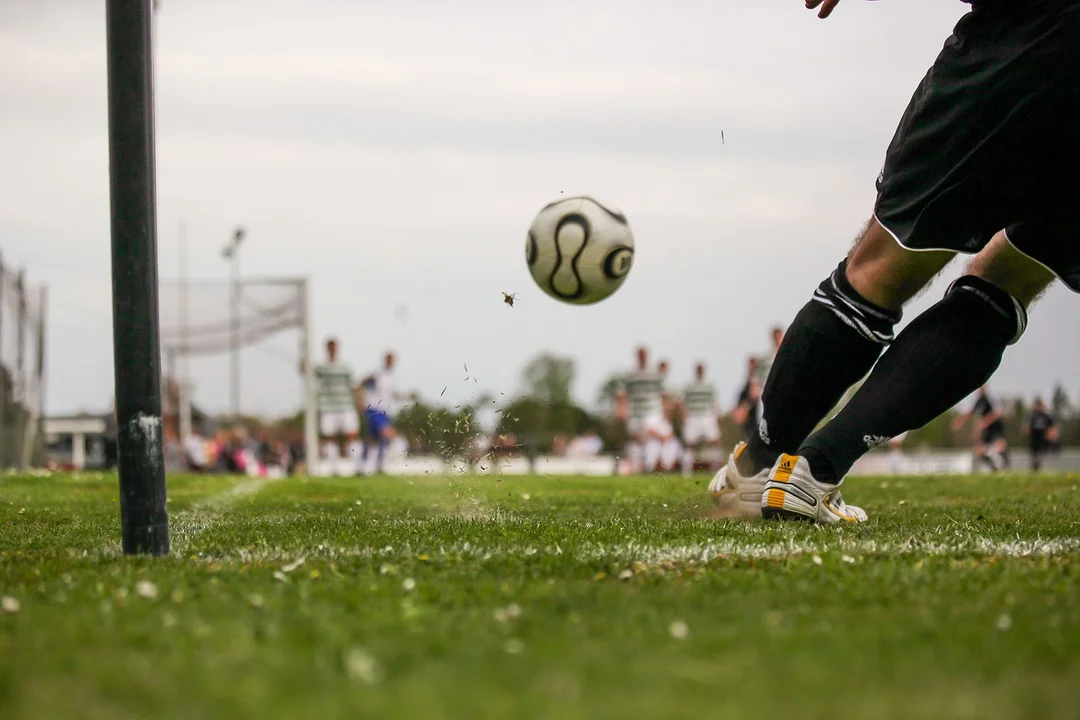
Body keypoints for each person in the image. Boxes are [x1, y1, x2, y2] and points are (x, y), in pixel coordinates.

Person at [712, 0, 1079, 522]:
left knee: (878, 270)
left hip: (1024, 36)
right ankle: (814, 471)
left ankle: (758, 468)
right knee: (1008, 281)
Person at [311, 338, 363, 475]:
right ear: (327, 349)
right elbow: (308, 374)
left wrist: (360, 400)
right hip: (328, 407)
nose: (332, 350)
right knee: (329, 437)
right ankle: (334, 469)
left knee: (352, 435)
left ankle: (358, 468)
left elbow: (354, 385)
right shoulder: (321, 367)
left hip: (346, 406)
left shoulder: (345, 367)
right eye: (330, 347)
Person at [614, 347, 665, 473]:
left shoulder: (654, 374)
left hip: (652, 411)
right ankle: (636, 467)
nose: (642, 357)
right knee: (636, 438)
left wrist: (665, 410)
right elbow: (622, 393)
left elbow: (662, 393)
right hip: (635, 411)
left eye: (644, 355)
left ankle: (650, 465)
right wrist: (621, 408)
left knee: (651, 434)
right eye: (640, 355)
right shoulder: (631, 375)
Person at [358, 351, 402, 475]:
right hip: (373, 408)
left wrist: (407, 396)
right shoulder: (377, 374)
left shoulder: (393, 377)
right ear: (385, 360)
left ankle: (364, 466)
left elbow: (394, 395)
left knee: (372, 439)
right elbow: (360, 383)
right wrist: (360, 400)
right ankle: (378, 465)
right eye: (388, 359)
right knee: (386, 433)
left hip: (385, 410)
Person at [952, 386, 1010, 472]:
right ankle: (993, 468)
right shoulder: (978, 401)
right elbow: (970, 413)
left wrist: (985, 422)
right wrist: (960, 421)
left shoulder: (990, 399)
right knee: (979, 451)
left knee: (1001, 446)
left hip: (995, 428)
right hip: (986, 430)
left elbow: (998, 412)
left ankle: (1006, 466)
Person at [681, 362, 723, 473]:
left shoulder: (710, 386)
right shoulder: (689, 386)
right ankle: (686, 471)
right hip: (693, 416)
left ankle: (715, 469)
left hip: (707, 415)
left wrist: (717, 416)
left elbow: (715, 402)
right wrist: (684, 416)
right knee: (689, 443)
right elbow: (684, 402)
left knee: (714, 441)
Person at [1025, 397, 1059, 472]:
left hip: (1044, 438)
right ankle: (1035, 468)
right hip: (1034, 438)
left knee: (1042, 453)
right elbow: (1027, 427)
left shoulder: (1047, 416)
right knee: (1034, 454)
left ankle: (1042, 467)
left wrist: (1052, 435)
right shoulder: (1033, 416)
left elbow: (1053, 427)